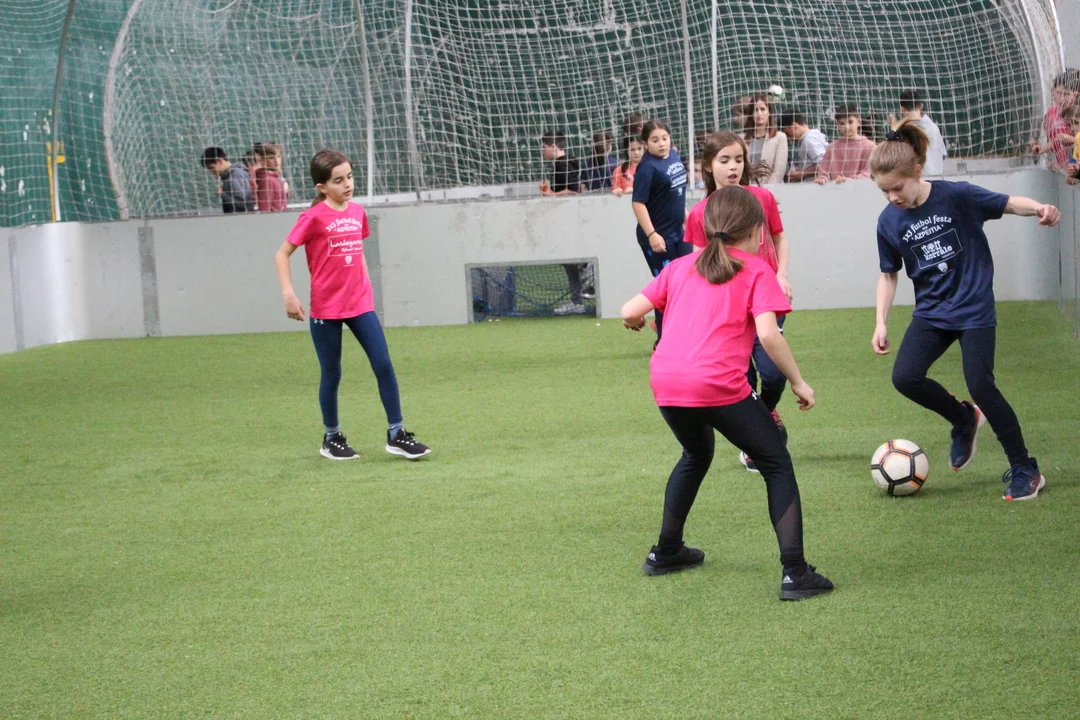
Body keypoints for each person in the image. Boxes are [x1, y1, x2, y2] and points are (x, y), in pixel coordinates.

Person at [620, 185, 833, 601]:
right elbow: (769, 336)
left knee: (696, 454)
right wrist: (798, 381)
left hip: (667, 382)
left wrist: (634, 323)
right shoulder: (757, 270)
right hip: (717, 384)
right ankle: (795, 572)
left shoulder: (679, 266)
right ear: (757, 231)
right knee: (776, 462)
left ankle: (666, 551)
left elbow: (630, 311)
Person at [871, 122, 1060, 501]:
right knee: (905, 377)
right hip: (931, 313)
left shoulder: (957, 196)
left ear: (917, 172)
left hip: (974, 309)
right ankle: (962, 418)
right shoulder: (888, 221)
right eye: (884, 191)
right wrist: (881, 322)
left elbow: (1008, 203)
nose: (892, 197)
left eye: (897, 187)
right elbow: (888, 275)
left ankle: (1026, 468)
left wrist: (1040, 208)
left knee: (982, 386)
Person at [274, 149, 431, 461]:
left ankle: (397, 433)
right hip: (326, 309)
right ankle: (332, 437)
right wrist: (289, 294)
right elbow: (282, 253)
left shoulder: (357, 212)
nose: (347, 184)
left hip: (360, 305)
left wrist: (365, 287)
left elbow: (357, 252)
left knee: (383, 364)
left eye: (349, 177)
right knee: (332, 373)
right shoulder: (312, 218)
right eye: (338, 180)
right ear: (322, 187)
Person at [686, 131, 793, 471]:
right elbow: (697, 264)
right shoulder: (699, 213)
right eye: (724, 160)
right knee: (742, 378)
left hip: (765, 301)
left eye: (738, 159)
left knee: (773, 375)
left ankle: (766, 414)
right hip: (727, 310)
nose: (733, 167)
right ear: (708, 166)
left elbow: (779, 238)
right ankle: (757, 438)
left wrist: (781, 275)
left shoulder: (762, 198)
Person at [631, 119, 691, 343]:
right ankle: (663, 340)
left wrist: (686, 216)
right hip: (658, 237)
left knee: (688, 281)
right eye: (655, 140)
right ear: (646, 143)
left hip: (679, 232)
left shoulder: (674, 156)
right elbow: (638, 203)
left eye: (664, 138)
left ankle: (675, 329)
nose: (661, 143)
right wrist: (652, 235)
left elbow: (677, 191)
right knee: (666, 288)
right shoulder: (647, 168)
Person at [539, 131, 587, 313]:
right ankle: (577, 298)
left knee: (570, 261)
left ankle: (577, 299)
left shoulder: (562, 164)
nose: (542, 151)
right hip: (570, 217)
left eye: (544, 147)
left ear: (553, 146)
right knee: (569, 262)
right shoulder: (569, 161)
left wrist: (551, 194)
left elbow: (573, 190)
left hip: (568, 219)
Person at [888, 90, 947, 177]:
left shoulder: (904, 131)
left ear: (902, 109)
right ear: (921, 106)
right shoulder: (934, 128)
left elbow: (894, 156)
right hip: (938, 177)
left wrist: (893, 128)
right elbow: (943, 154)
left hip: (918, 179)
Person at [1031, 69, 1080, 173]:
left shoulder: (1076, 115)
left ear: (1075, 94)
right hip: (1064, 170)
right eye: (1059, 93)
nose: (1062, 98)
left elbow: (1068, 140)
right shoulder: (1051, 113)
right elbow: (1058, 140)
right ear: (1052, 92)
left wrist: (1072, 139)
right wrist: (1043, 148)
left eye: (1066, 94)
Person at [815, 105, 875, 184]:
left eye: (850, 122)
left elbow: (869, 173)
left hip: (860, 189)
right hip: (836, 190)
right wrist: (822, 179)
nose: (846, 127)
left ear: (858, 122)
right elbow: (824, 172)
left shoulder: (869, 146)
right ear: (837, 125)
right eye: (842, 123)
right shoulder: (832, 147)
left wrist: (848, 180)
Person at [744, 95, 788, 185]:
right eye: (756, 110)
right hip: (749, 189)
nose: (759, 113)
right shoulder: (743, 139)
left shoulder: (779, 137)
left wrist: (767, 189)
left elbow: (779, 170)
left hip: (772, 189)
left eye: (763, 109)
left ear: (769, 112)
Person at [201, 147, 255, 213]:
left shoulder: (236, 174)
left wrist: (222, 194)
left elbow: (242, 204)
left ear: (220, 161)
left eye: (212, 168)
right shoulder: (228, 175)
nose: (212, 172)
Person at [778, 111, 829, 182]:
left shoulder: (809, 140)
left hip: (817, 185)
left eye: (787, 133)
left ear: (794, 125)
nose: (788, 137)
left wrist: (802, 174)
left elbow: (825, 163)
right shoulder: (814, 136)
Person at [253, 142, 289, 212]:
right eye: (271, 158)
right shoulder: (268, 181)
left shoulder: (276, 178)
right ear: (263, 161)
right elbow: (264, 209)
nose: (276, 161)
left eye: (278, 156)